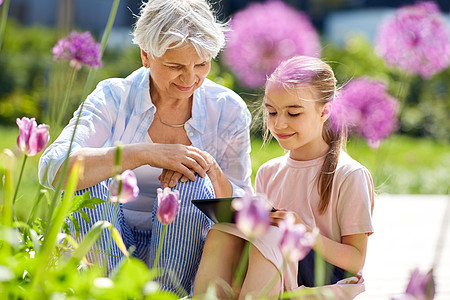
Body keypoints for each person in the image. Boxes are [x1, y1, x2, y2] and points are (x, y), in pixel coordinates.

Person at [38, 0, 252, 295]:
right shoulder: (113, 97)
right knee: (84, 181)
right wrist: (143, 154)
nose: (190, 79)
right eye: (175, 66)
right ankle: (110, 292)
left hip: (183, 254)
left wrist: (210, 170)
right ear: (146, 56)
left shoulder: (227, 110)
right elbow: (54, 167)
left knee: (193, 181)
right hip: (108, 239)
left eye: (201, 64)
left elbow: (242, 206)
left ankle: (167, 295)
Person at [193, 56, 374, 299]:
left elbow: (354, 259)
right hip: (275, 267)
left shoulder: (349, 174)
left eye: (293, 113)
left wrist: (304, 232)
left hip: (322, 279)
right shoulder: (269, 171)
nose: (279, 123)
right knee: (222, 231)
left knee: (272, 235)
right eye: (271, 112)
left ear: (325, 111)